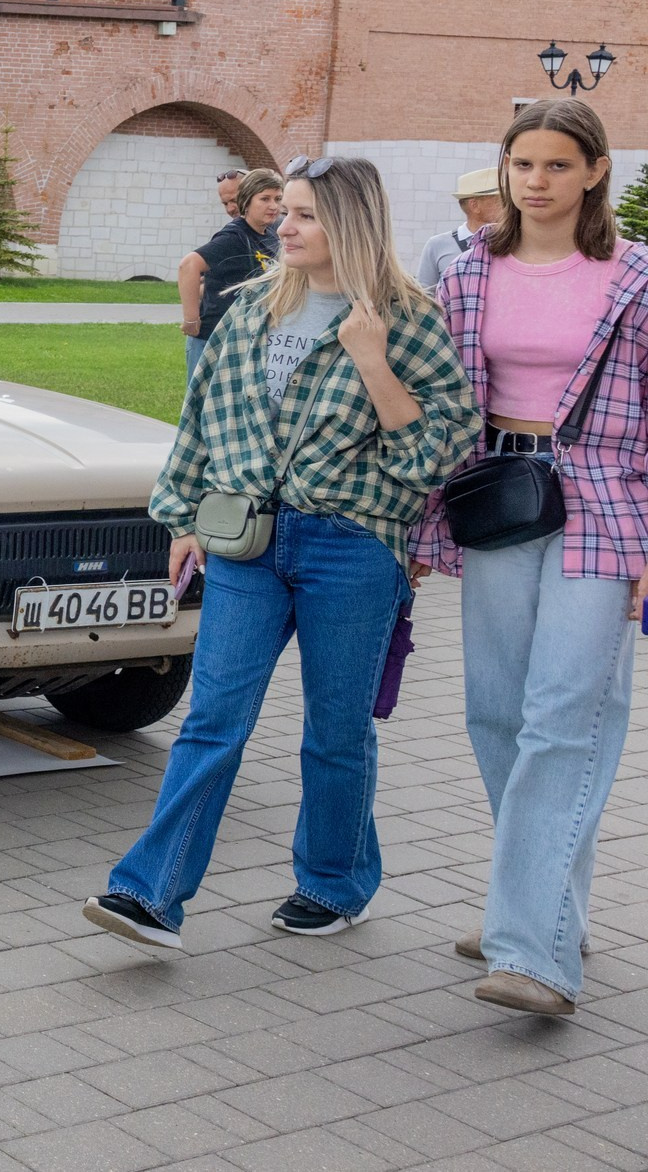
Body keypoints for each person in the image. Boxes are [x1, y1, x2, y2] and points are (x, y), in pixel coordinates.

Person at [86, 154, 476, 951]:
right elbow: (203, 417)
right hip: (248, 541)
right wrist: (184, 515)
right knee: (213, 720)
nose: (284, 226)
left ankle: (333, 884)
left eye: (303, 215)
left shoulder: (408, 318)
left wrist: (372, 360)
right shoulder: (254, 306)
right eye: (284, 212)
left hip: (354, 547)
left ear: (352, 223)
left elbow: (440, 450)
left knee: (335, 730)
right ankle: (150, 895)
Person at [411, 101, 648, 1016]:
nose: (537, 181)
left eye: (556, 165)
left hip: (608, 504)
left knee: (563, 719)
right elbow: (442, 402)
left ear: (594, 172)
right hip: (499, 497)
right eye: (522, 164)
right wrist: (418, 522)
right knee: (496, 714)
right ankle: (544, 902)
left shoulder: (633, 276)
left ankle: (533, 954)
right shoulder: (469, 273)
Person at [180, 168, 285, 376]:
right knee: (203, 407)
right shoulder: (235, 235)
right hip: (213, 340)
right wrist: (191, 320)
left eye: (277, 199)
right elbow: (189, 265)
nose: (273, 206)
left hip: (245, 338)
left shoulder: (269, 234)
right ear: (247, 201)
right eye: (264, 199)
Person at [417, 166, 506, 289]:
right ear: (474, 205)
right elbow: (424, 298)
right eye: (500, 201)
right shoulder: (436, 245)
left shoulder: (512, 243)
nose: (507, 206)